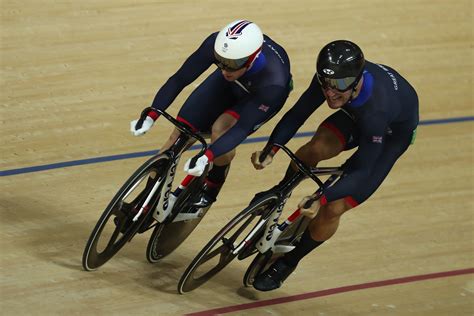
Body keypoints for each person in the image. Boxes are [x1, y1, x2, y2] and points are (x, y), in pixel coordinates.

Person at [250, 40, 419, 291]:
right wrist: (271, 148)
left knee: (333, 208)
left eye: (339, 86)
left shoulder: (377, 109)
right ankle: (280, 192)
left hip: (389, 135)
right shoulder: (333, 80)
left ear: (357, 80)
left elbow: (362, 170)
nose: (330, 93)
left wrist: (323, 197)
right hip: (356, 115)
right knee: (314, 149)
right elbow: (298, 114)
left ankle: (289, 262)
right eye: (326, 84)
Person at [130, 20, 293, 207]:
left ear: (253, 58)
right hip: (232, 83)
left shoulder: (274, 82)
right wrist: (152, 114)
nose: (224, 69)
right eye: (221, 62)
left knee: (220, 129)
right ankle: (145, 198)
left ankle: (214, 182)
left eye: (232, 64)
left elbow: (241, 128)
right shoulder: (223, 52)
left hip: (259, 95)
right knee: (180, 131)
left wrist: (207, 156)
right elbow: (179, 79)